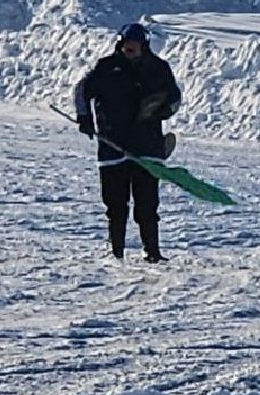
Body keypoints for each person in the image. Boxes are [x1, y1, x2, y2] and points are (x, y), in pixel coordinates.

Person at [73, 23, 182, 262]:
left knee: (147, 205)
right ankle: (116, 251)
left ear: (144, 45)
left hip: (147, 147)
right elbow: (82, 90)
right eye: (126, 44)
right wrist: (84, 117)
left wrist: (162, 110)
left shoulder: (158, 68)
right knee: (116, 205)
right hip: (112, 146)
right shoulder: (105, 67)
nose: (130, 47)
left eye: (135, 44)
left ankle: (152, 252)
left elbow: (175, 98)